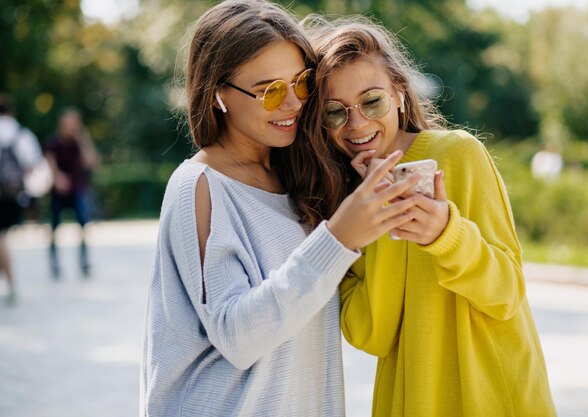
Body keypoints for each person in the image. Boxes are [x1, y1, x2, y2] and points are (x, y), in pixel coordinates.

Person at [139, 2, 425, 416]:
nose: (293, 103)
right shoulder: (198, 187)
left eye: (302, 83)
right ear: (219, 94)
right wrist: (339, 237)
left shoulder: (298, 178)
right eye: (270, 91)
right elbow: (238, 336)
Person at [306, 18, 557, 416]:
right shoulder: (340, 203)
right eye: (334, 112)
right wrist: (377, 206)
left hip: (491, 395)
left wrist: (447, 234)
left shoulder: (458, 154)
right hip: (412, 401)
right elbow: (372, 334)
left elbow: (507, 292)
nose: (356, 124)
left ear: (400, 95)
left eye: (372, 101)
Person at [45, 108, 100, 278]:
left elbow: (92, 164)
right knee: (55, 227)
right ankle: (54, 263)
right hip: (58, 191)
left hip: (78, 189)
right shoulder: (53, 142)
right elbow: (50, 164)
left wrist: (84, 141)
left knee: (83, 225)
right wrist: (58, 178)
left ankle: (84, 262)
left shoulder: (80, 142)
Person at [0, 93, 44, 305]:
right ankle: (10, 282)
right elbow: (33, 164)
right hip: (11, 195)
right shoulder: (20, 133)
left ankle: (10, 282)